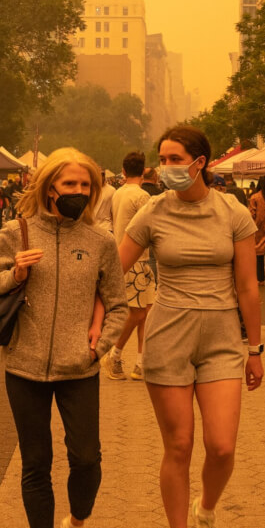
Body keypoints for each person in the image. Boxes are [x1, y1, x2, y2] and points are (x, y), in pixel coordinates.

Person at [0, 147, 128, 528]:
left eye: (85, 185)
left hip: (80, 368)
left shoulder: (100, 241)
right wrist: (13, 275)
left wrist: (100, 344)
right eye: (69, 184)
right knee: (35, 464)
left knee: (87, 460)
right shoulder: (15, 232)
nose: (77, 192)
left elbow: (116, 302)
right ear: (49, 186)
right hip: (23, 367)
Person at [118, 125, 263, 528]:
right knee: (179, 445)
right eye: (163, 158)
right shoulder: (153, 212)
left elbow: (247, 286)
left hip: (222, 335)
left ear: (200, 162)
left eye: (175, 158)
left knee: (221, 446)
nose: (166, 167)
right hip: (168, 334)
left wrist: (255, 348)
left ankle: (206, 512)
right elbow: (112, 268)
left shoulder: (233, 213)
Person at [105, 151, 156, 381]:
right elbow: (148, 229)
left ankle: (141, 363)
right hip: (138, 260)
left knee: (145, 313)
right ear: (144, 171)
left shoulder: (117, 193)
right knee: (137, 313)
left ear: (123, 171)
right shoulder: (142, 196)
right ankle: (114, 354)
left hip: (126, 257)